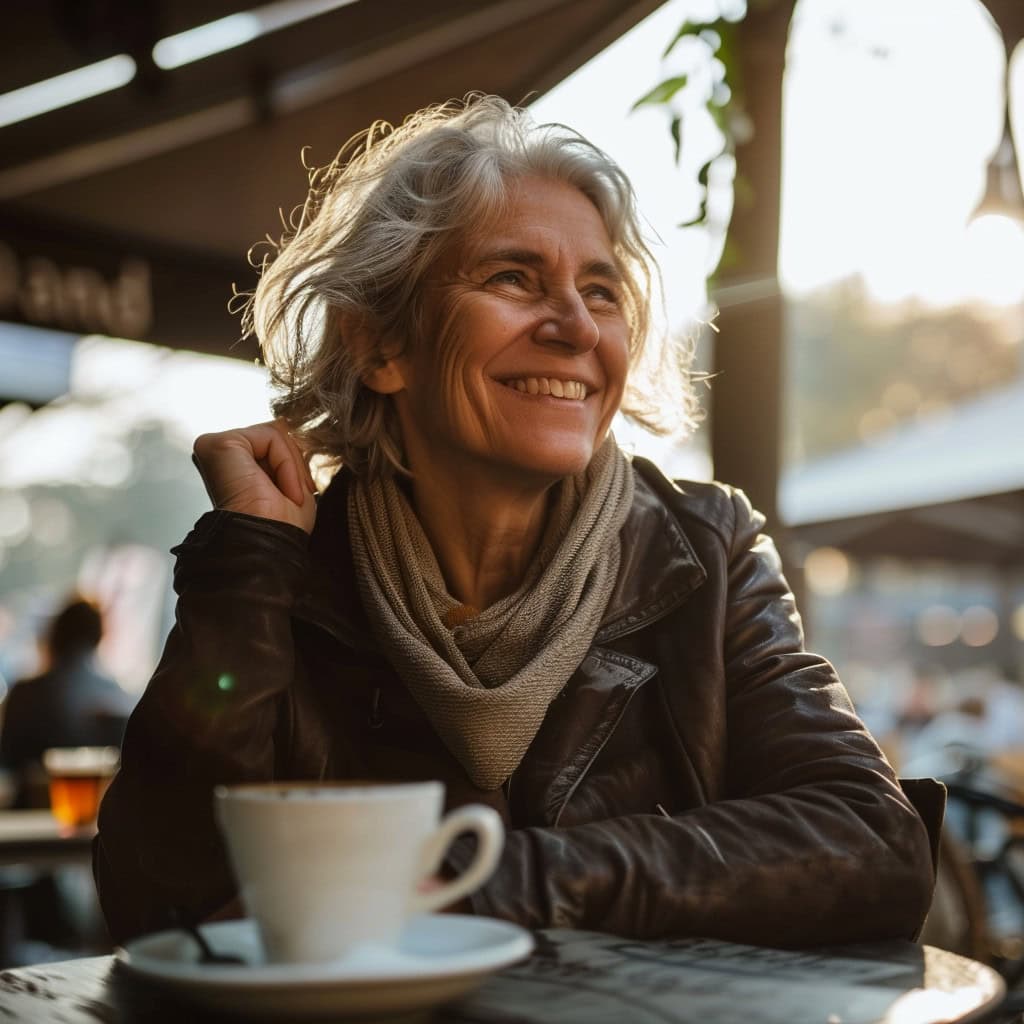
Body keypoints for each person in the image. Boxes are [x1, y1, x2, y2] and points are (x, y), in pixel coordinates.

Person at [94, 95, 936, 947]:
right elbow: (160, 900)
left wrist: (491, 887)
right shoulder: (288, 570)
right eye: (513, 278)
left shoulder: (704, 549)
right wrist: (246, 564)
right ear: (378, 346)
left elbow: (872, 840)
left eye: (600, 291)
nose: (575, 327)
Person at [1, 597, 132, 808]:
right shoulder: (115, 694)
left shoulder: (25, 693)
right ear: (98, 637)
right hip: (96, 815)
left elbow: (9, 758)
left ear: (55, 636)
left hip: (29, 815)